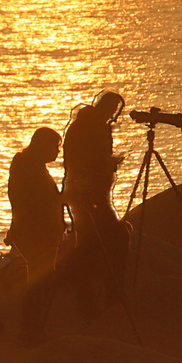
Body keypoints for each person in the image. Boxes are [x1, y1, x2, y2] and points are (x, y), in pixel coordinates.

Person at [20, 92, 129, 344]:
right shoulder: (88, 127)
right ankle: (102, 298)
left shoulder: (86, 125)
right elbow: (81, 162)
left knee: (91, 243)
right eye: (111, 107)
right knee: (98, 243)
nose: (113, 113)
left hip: (86, 192)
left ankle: (92, 298)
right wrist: (105, 164)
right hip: (85, 194)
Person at [6, 127, 64, 281]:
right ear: (43, 146)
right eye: (55, 147)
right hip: (34, 233)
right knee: (39, 277)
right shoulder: (27, 166)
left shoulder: (34, 165)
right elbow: (27, 201)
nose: (58, 152)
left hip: (38, 232)